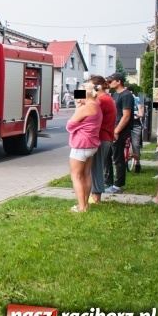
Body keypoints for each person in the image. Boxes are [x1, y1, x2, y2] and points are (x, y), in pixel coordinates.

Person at [66, 82, 102, 212]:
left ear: (84, 93)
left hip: (81, 145)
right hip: (92, 145)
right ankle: (85, 204)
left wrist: (77, 106)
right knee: (86, 174)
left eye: (79, 93)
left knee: (76, 176)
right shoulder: (97, 106)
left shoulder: (85, 108)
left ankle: (82, 207)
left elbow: (69, 125)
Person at [88, 76, 116, 204]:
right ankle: (95, 194)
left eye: (89, 86)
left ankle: (96, 196)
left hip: (101, 137)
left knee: (96, 167)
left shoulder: (102, 100)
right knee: (97, 166)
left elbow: (89, 112)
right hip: (106, 137)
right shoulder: (107, 98)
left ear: (96, 87)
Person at [105, 73, 133, 194]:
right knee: (107, 156)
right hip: (113, 129)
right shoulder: (115, 95)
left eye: (111, 81)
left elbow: (126, 116)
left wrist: (116, 131)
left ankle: (118, 185)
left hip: (120, 131)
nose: (109, 83)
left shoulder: (126, 95)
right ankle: (108, 182)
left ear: (118, 81)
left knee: (117, 157)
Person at [125, 85, 143, 173]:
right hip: (125, 123)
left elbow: (141, 111)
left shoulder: (137, 100)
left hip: (135, 123)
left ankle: (137, 162)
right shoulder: (123, 99)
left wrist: (138, 114)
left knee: (136, 144)